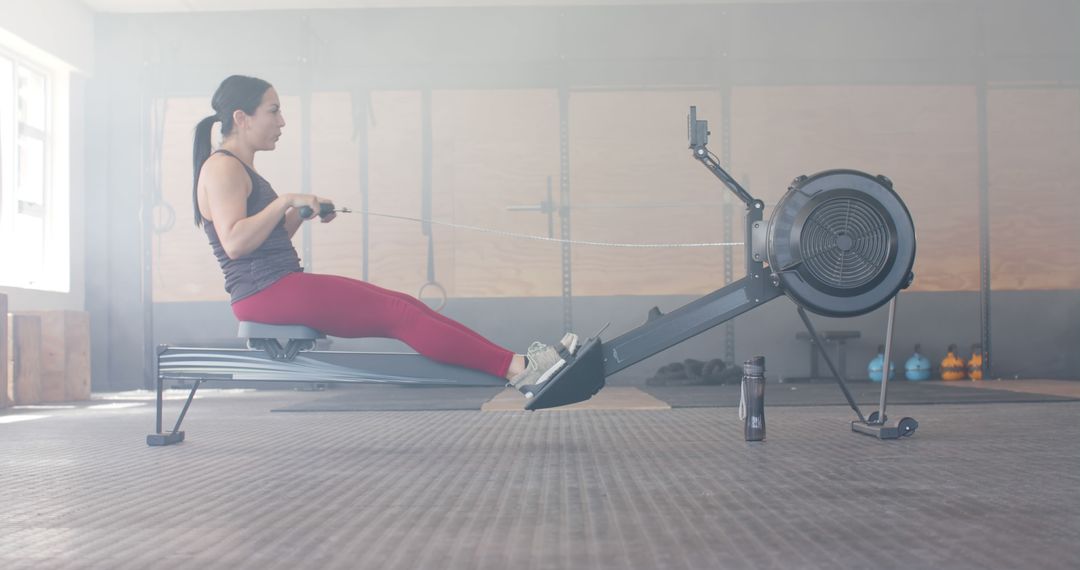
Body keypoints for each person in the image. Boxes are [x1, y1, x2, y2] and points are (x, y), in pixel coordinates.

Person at [192, 75, 576, 396]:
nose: (282, 122)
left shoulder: (239, 168)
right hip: (264, 292)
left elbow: (266, 242)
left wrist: (297, 216)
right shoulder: (223, 168)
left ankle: (520, 364)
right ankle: (520, 369)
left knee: (407, 306)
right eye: (273, 111)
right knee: (400, 316)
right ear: (242, 118)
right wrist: (287, 201)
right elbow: (236, 244)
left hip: (275, 284)